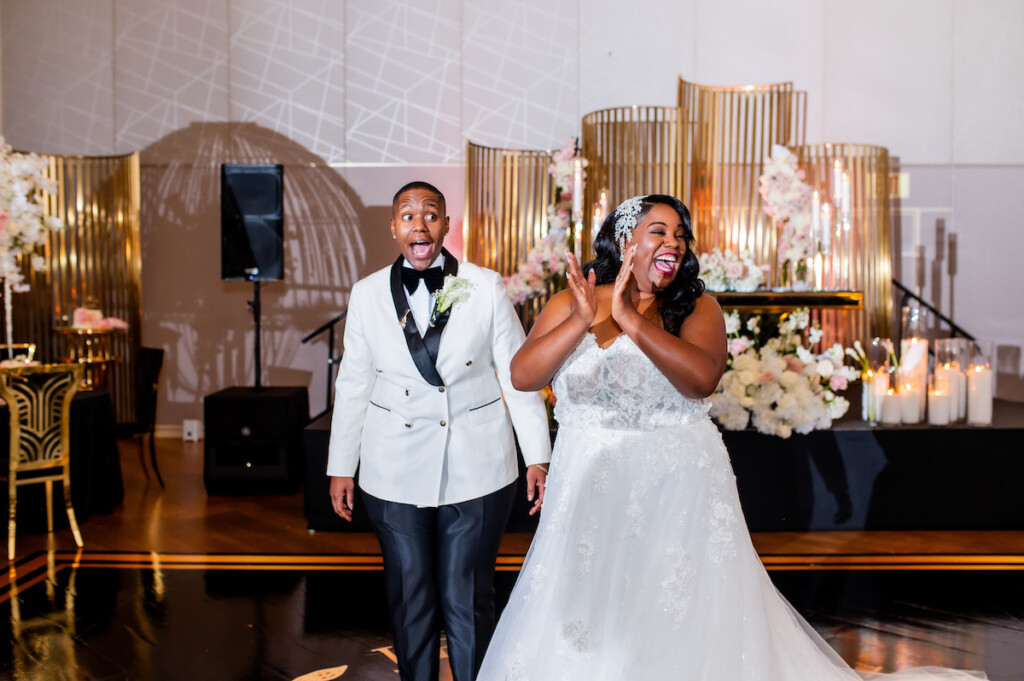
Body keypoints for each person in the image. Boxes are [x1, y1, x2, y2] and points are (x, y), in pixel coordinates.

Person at [476, 195, 987, 680]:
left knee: (673, 605)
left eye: (681, 234)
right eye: (659, 231)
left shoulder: (698, 308)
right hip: (590, 480)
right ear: (625, 238)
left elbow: (700, 380)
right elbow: (523, 376)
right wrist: (585, 320)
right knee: (585, 614)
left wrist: (631, 320)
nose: (674, 242)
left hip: (674, 480)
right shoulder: (575, 300)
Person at [327, 181, 552, 681]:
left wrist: (537, 454)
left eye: (430, 213)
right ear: (394, 227)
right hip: (392, 466)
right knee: (410, 594)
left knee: (467, 593)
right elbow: (354, 384)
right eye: (408, 215)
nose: (419, 223)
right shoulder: (366, 294)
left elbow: (518, 377)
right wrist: (341, 465)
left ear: (446, 225)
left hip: (478, 464)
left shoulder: (484, 285)